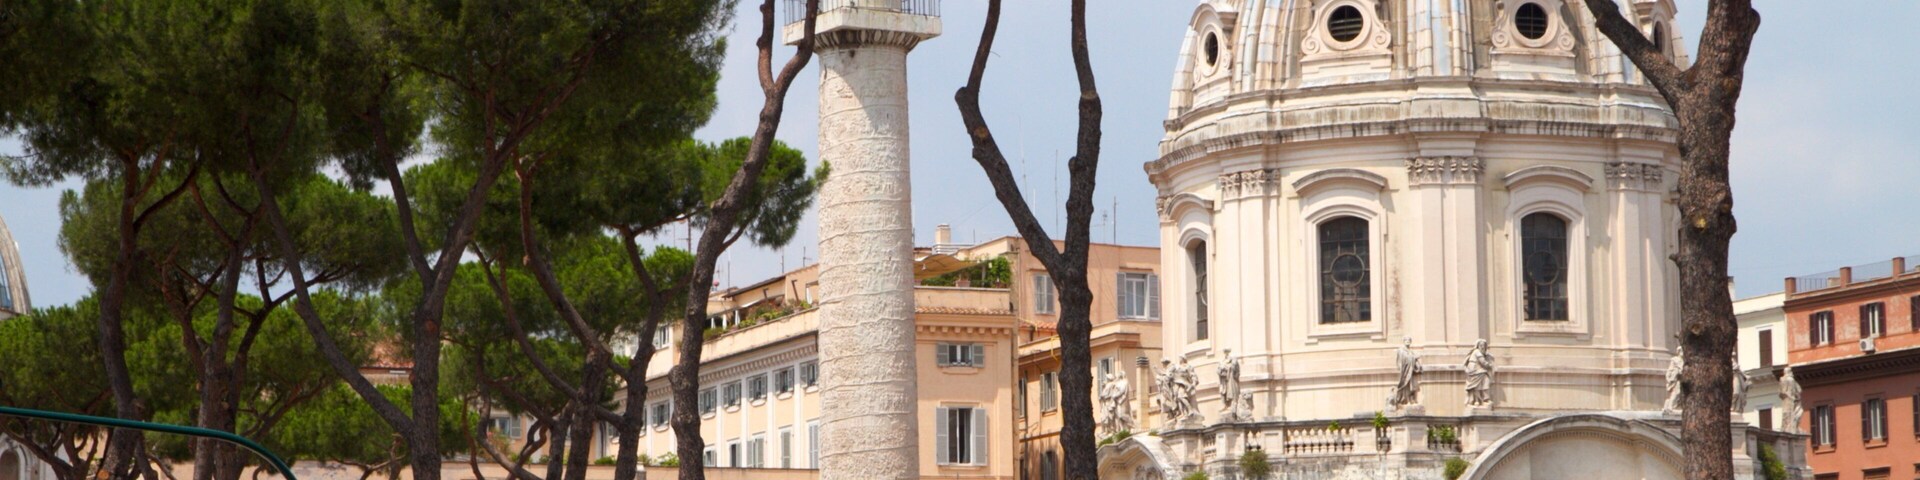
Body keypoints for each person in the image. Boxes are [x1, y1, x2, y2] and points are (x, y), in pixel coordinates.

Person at [1390, 337, 1421, 408]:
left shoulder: (1411, 351)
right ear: (1403, 341)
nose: (1408, 341)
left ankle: (1411, 398)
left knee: (1413, 386)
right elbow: (1403, 359)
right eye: (1406, 340)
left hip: (1411, 372)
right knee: (1406, 385)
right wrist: (1414, 357)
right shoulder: (1401, 350)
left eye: (1409, 340)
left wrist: (1415, 358)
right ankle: (1404, 399)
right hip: (1405, 372)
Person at [1463, 339, 1495, 407]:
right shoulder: (1477, 352)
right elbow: (1483, 362)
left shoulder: (1478, 352)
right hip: (1475, 369)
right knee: (1484, 381)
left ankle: (1478, 400)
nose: (1482, 347)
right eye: (1481, 345)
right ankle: (1482, 400)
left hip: (1475, 369)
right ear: (1477, 346)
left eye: (1483, 345)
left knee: (1478, 385)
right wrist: (1490, 365)